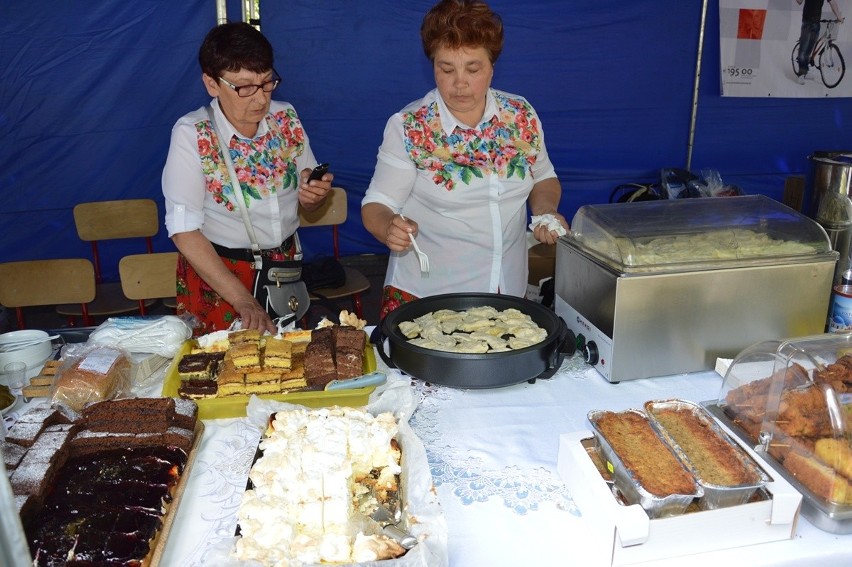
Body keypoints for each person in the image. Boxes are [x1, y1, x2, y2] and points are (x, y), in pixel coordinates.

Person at [361, 0, 568, 318]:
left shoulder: (520, 115)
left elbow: (543, 176)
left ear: (492, 67)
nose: (459, 83)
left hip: (506, 289)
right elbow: (376, 205)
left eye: (473, 69)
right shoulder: (411, 126)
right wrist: (388, 226)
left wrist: (545, 211)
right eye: (446, 69)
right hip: (429, 295)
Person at [163, 22, 332, 335]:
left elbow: (306, 197)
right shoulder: (193, 134)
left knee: (287, 368)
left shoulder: (285, 118)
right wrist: (242, 299)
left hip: (282, 272)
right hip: (222, 276)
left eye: (267, 83)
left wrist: (312, 194)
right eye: (244, 87)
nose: (260, 99)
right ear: (212, 84)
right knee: (222, 373)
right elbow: (184, 230)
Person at [795, 0, 844, 84]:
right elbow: (799, 2)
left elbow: (832, 2)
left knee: (809, 50)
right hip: (807, 22)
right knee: (803, 49)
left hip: (816, 23)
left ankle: (805, 71)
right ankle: (801, 74)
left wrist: (839, 17)